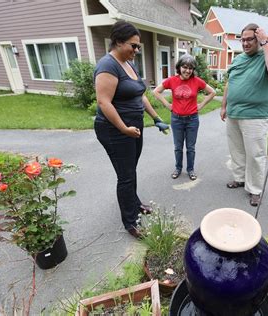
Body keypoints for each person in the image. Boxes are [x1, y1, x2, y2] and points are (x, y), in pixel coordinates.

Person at [94, 21, 168, 239]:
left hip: (132, 127)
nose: (136, 50)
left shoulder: (128, 63)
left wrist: (156, 118)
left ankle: (134, 203)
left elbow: (140, 94)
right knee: (125, 176)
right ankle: (130, 222)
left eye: (138, 47)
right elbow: (104, 102)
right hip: (114, 130)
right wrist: (124, 128)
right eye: (133, 46)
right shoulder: (108, 65)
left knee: (130, 169)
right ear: (118, 42)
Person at [220, 23, 268, 207]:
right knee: (237, 151)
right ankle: (239, 178)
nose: (246, 43)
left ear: (258, 39)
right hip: (234, 113)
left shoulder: (266, 55)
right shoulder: (239, 59)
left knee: (255, 154)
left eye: (250, 39)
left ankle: (255, 189)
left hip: (256, 116)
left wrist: (265, 42)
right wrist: (224, 106)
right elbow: (230, 83)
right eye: (243, 40)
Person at [153, 55, 215, 180]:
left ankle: (190, 169)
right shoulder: (172, 80)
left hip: (192, 119)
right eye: (185, 67)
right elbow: (156, 91)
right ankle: (178, 168)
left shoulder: (197, 81)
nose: (187, 71)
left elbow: (212, 92)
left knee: (190, 147)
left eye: (190, 68)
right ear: (179, 67)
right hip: (176, 119)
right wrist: (168, 105)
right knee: (178, 147)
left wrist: (201, 105)